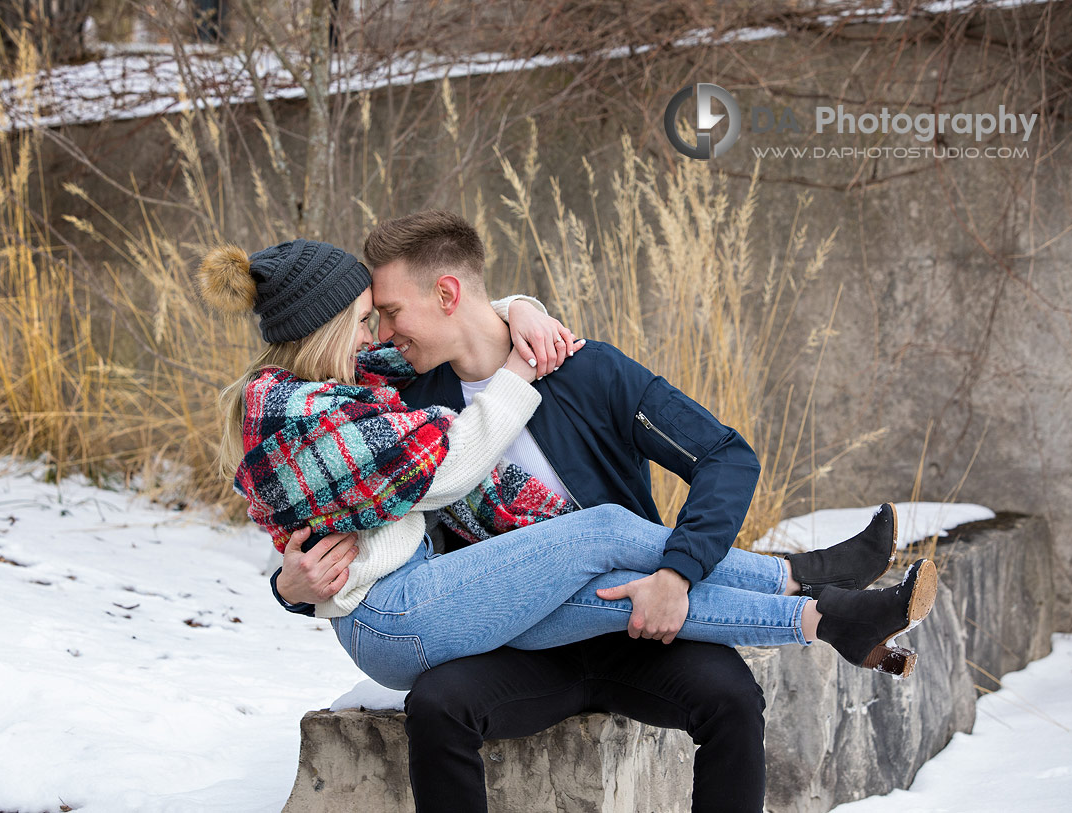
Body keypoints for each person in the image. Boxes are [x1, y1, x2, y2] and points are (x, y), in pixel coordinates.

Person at [266, 213, 938, 812]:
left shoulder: (588, 371)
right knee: (438, 704)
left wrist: (676, 575)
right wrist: (288, 588)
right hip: (515, 642)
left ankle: (811, 590)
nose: (379, 332)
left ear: (446, 294)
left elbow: (726, 457)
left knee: (731, 696)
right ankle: (808, 580)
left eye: (388, 312)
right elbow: (312, 493)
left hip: (637, 623)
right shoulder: (406, 397)